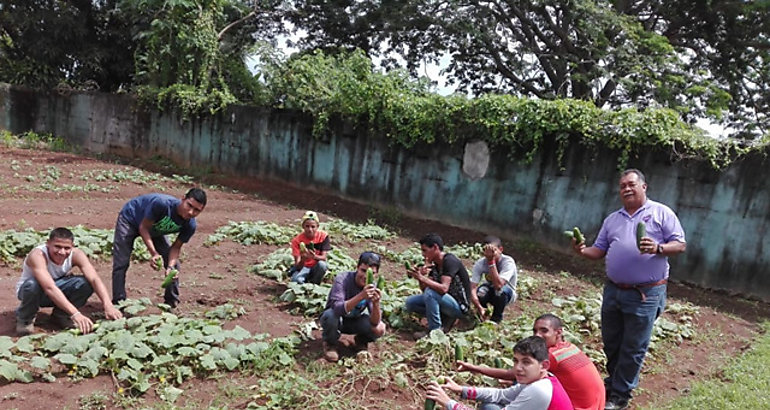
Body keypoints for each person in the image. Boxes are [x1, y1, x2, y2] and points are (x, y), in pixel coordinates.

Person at [572, 169, 686, 410]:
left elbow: (680, 244)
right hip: (614, 290)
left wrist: (658, 248)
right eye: (622, 185)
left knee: (633, 346)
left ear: (644, 186)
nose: (626, 188)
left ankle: (620, 395)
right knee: (612, 342)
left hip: (645, 293)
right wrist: (582, 250)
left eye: (631, 184)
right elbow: (598, 250)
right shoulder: (613, 219)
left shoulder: (661, 213)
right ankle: (614, 383)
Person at [456, 314, 605, 410]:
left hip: (579, 407)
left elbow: (511, 374)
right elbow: (502, 393)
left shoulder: (551, 357)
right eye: (535, 331)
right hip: (596, 405)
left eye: (544, 330)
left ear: (558, 332)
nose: (538, 335)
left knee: (491, 406)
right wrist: (460, 390)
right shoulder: (569, 347)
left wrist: (474, 368)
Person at [15, 227, 123, 335]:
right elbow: (49, 287)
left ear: (72, 246)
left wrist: (108, 305)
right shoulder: (38, 255)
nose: (62, 252)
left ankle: (60, 315)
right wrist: (75, 314)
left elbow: (95, 279)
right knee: (32, 285)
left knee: (85, 283)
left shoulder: (77, 255)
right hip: (33, 292)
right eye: (57, 247)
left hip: (57, 288)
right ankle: (25, 318)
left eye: (67, 248)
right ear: (48, 243)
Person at [111, 188, 207, 308]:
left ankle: (171, 303)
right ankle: (118, 303)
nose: (191, 212)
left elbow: (176, 248)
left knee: (174, 267)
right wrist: (154, 253)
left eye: (197, 210)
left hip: (155, 228)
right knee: (121, 263)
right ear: (183, 199)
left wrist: (170, 267)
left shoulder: (190, 225)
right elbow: (143, 228)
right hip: (130, 219)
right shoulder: (162, 204)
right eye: (189, 206)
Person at [426, 336, 572, 410]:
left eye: (526, 362)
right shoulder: (540, 379)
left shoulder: (539, 390)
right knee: (490, 406)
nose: (518, 368)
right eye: (516, 361)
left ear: (544, 365)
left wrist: (448, 403)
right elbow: (500, 395)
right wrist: (460, 389)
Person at [319, 251, 386, 362]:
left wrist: (376, 303)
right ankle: (330, 343)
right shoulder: (343, 279)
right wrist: (361, 296)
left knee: (380, 328)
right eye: (363, 270)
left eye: (371, 273)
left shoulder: (372, 287)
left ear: (376, 274)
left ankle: (360, 340)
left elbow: (375, 322)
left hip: (353, 321)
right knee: (330, 315)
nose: (365, 276)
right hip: (336, 320)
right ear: (357, 268)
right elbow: (337, 308)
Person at [404, 233, 472, 339]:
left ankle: (434, 331)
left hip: (459, 305)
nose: (423, 254)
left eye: (425, 250)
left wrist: (422, 278)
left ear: (435, 247)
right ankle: (443, 319)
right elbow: (424, 290)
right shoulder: (435, 265)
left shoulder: (449, 261)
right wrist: (421, 276)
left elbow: (443, 288)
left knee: (431, 293)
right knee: (410, 303)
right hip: (445, 302)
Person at [470, 235, 518, 323]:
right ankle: (482, 314)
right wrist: (479, 306)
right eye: (486, 251)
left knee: (499, 291)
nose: (489, 254)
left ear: (501, 250)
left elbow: (499, 285)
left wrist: (491, 262)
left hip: (507, 292)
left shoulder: (508, 262)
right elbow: (472, 287)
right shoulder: (480, 263)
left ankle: (496, 319)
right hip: (489, 288)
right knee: (480, 292)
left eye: (493, 251)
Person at [288, 210, 331, 285]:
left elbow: (324, 257)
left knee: (322, 265)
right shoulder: (296, 241)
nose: (310, 229)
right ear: (303, 226)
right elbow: (298, 266)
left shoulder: (323, 237)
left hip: (316, 267)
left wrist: (313, 256)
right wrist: (303, 259)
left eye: (313, 227)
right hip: (303, 267)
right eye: (307, 226)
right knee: (296, 281)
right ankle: (305, 283)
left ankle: (314, 283)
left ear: (317, 226)